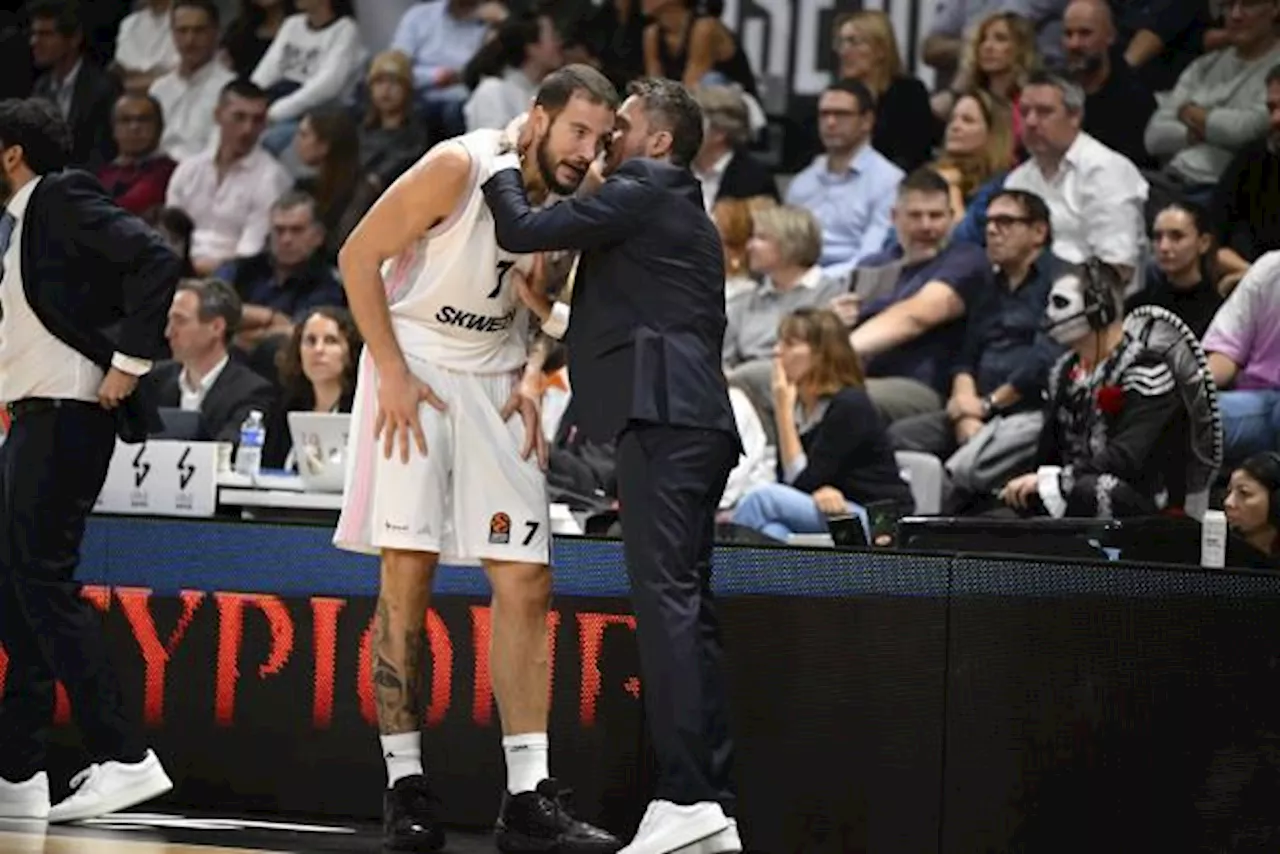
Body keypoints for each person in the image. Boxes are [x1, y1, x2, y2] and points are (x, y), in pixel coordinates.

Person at [332, 64, 623, 854]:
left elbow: (545, 307)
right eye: (576, 131)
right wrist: (389, 369)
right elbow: (357, 258)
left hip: (496, 376)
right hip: (416, 365)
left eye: (600, 138)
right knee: (407, 573)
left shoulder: (575, 196)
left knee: (528, 577)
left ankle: (528, 796)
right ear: (538, 118)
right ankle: (404, 787)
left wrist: (533, 373)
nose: (586, 149)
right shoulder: (458, 166)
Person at [483, 76, 744, 854]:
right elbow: (637, 316)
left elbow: (522, 225)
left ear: (660, 140)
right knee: (686, 614)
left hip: (666, 424)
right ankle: (707, 803)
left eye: (621, 127)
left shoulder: (646, 184)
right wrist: (548, 315)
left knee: (667, 611)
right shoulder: (671, 209)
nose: (605, 141)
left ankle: (689, 796)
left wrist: (506, 152)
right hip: (692, 421)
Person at [0, 98, 178, 821]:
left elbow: (156, 257)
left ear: (11, 151)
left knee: (41, 584)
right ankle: (18, 770)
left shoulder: (61, 194)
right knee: (16, 591)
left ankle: (125, 757)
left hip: (71, 416)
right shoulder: (23, 220)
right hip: (31, 419)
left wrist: (130, 362)